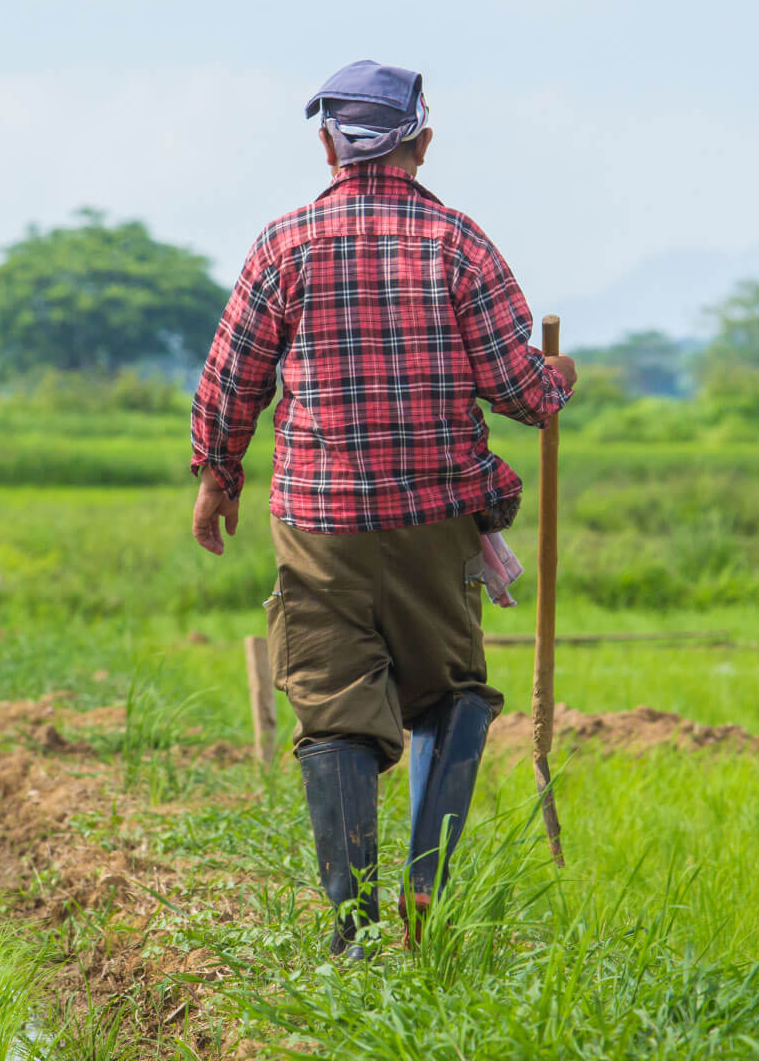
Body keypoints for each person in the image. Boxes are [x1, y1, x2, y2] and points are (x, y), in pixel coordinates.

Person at [189, 60, 577, 958]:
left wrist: (217, 476)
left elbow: (233, 374)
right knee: (448, 692)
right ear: (422, 143)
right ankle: (423, 889)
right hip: (437, 515)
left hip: (318, 520)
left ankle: (353, 926)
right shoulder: (459, 243)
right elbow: (520, 389)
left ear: (328, 145)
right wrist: (557, 380)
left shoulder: (284, 243)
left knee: (332, 706)